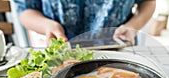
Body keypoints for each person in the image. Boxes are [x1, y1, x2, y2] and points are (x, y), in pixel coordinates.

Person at [13, 0, 156, 45]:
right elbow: (26, 9)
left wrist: (132, 27)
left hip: (116, 47)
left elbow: (148, 2)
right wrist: (47, 26)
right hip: (64, 51)